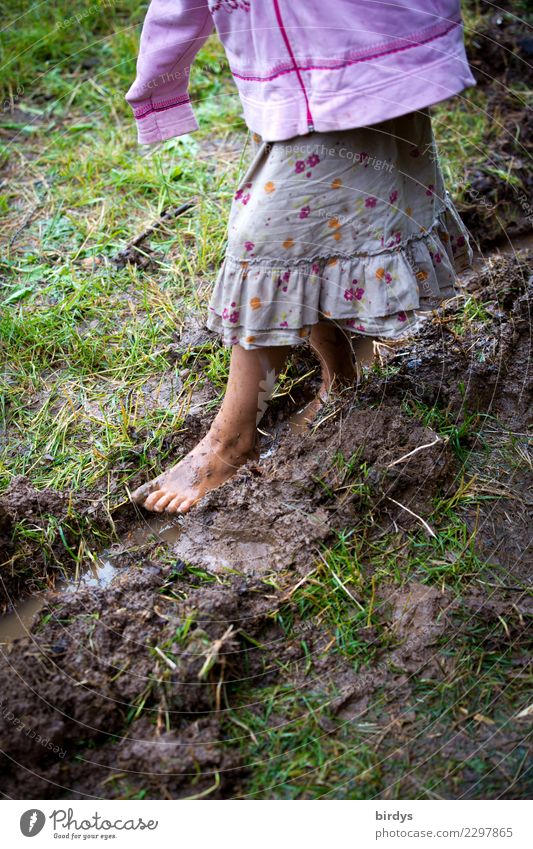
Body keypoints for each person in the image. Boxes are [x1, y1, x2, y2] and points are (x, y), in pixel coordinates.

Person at [126, 0, 475, 515]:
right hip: (283, 82)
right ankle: (344, 374)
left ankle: (230, 444)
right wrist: (159, 81)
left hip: (366, 63)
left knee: (269, 245)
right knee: (321, 236)